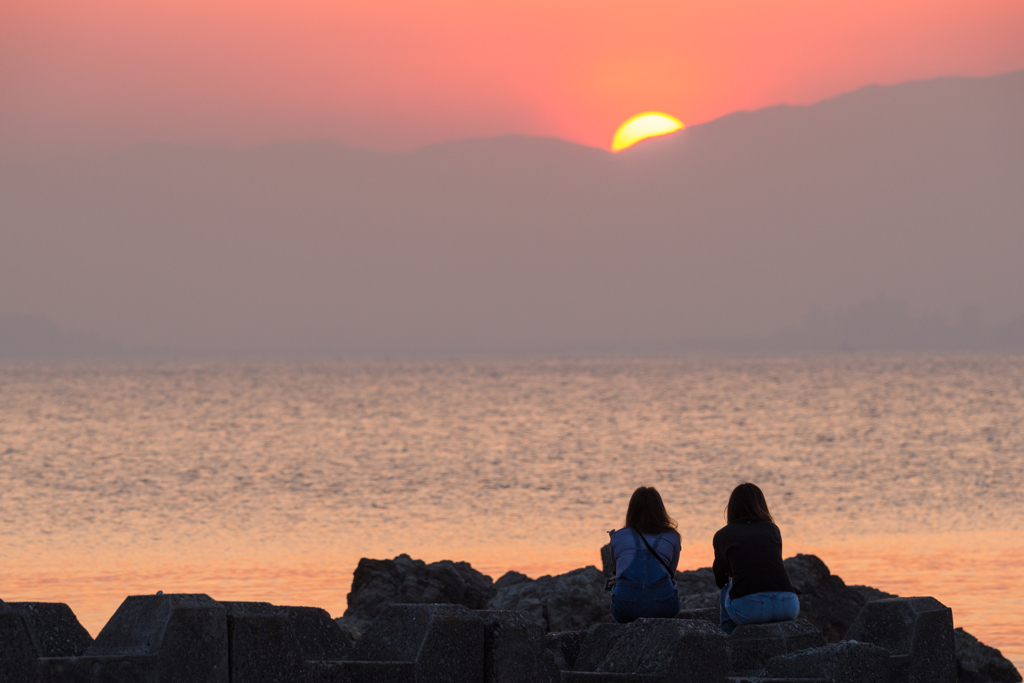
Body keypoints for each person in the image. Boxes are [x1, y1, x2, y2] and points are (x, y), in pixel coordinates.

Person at [713, 482, 800, 634]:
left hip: (751, 609)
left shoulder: (723, 535)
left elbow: (720, 580)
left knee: (727, 587)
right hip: (788, 605)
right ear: (761, 504)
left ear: (731, 507)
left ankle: (727, 643)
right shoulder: (772, 529)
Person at [607, 486, 682, 623]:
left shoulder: (618, 536)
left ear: (631, 510)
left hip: (626, 607)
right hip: (664, 606)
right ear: (660, 510)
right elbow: (670, 573)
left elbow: (618, 572)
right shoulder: (673, 536)